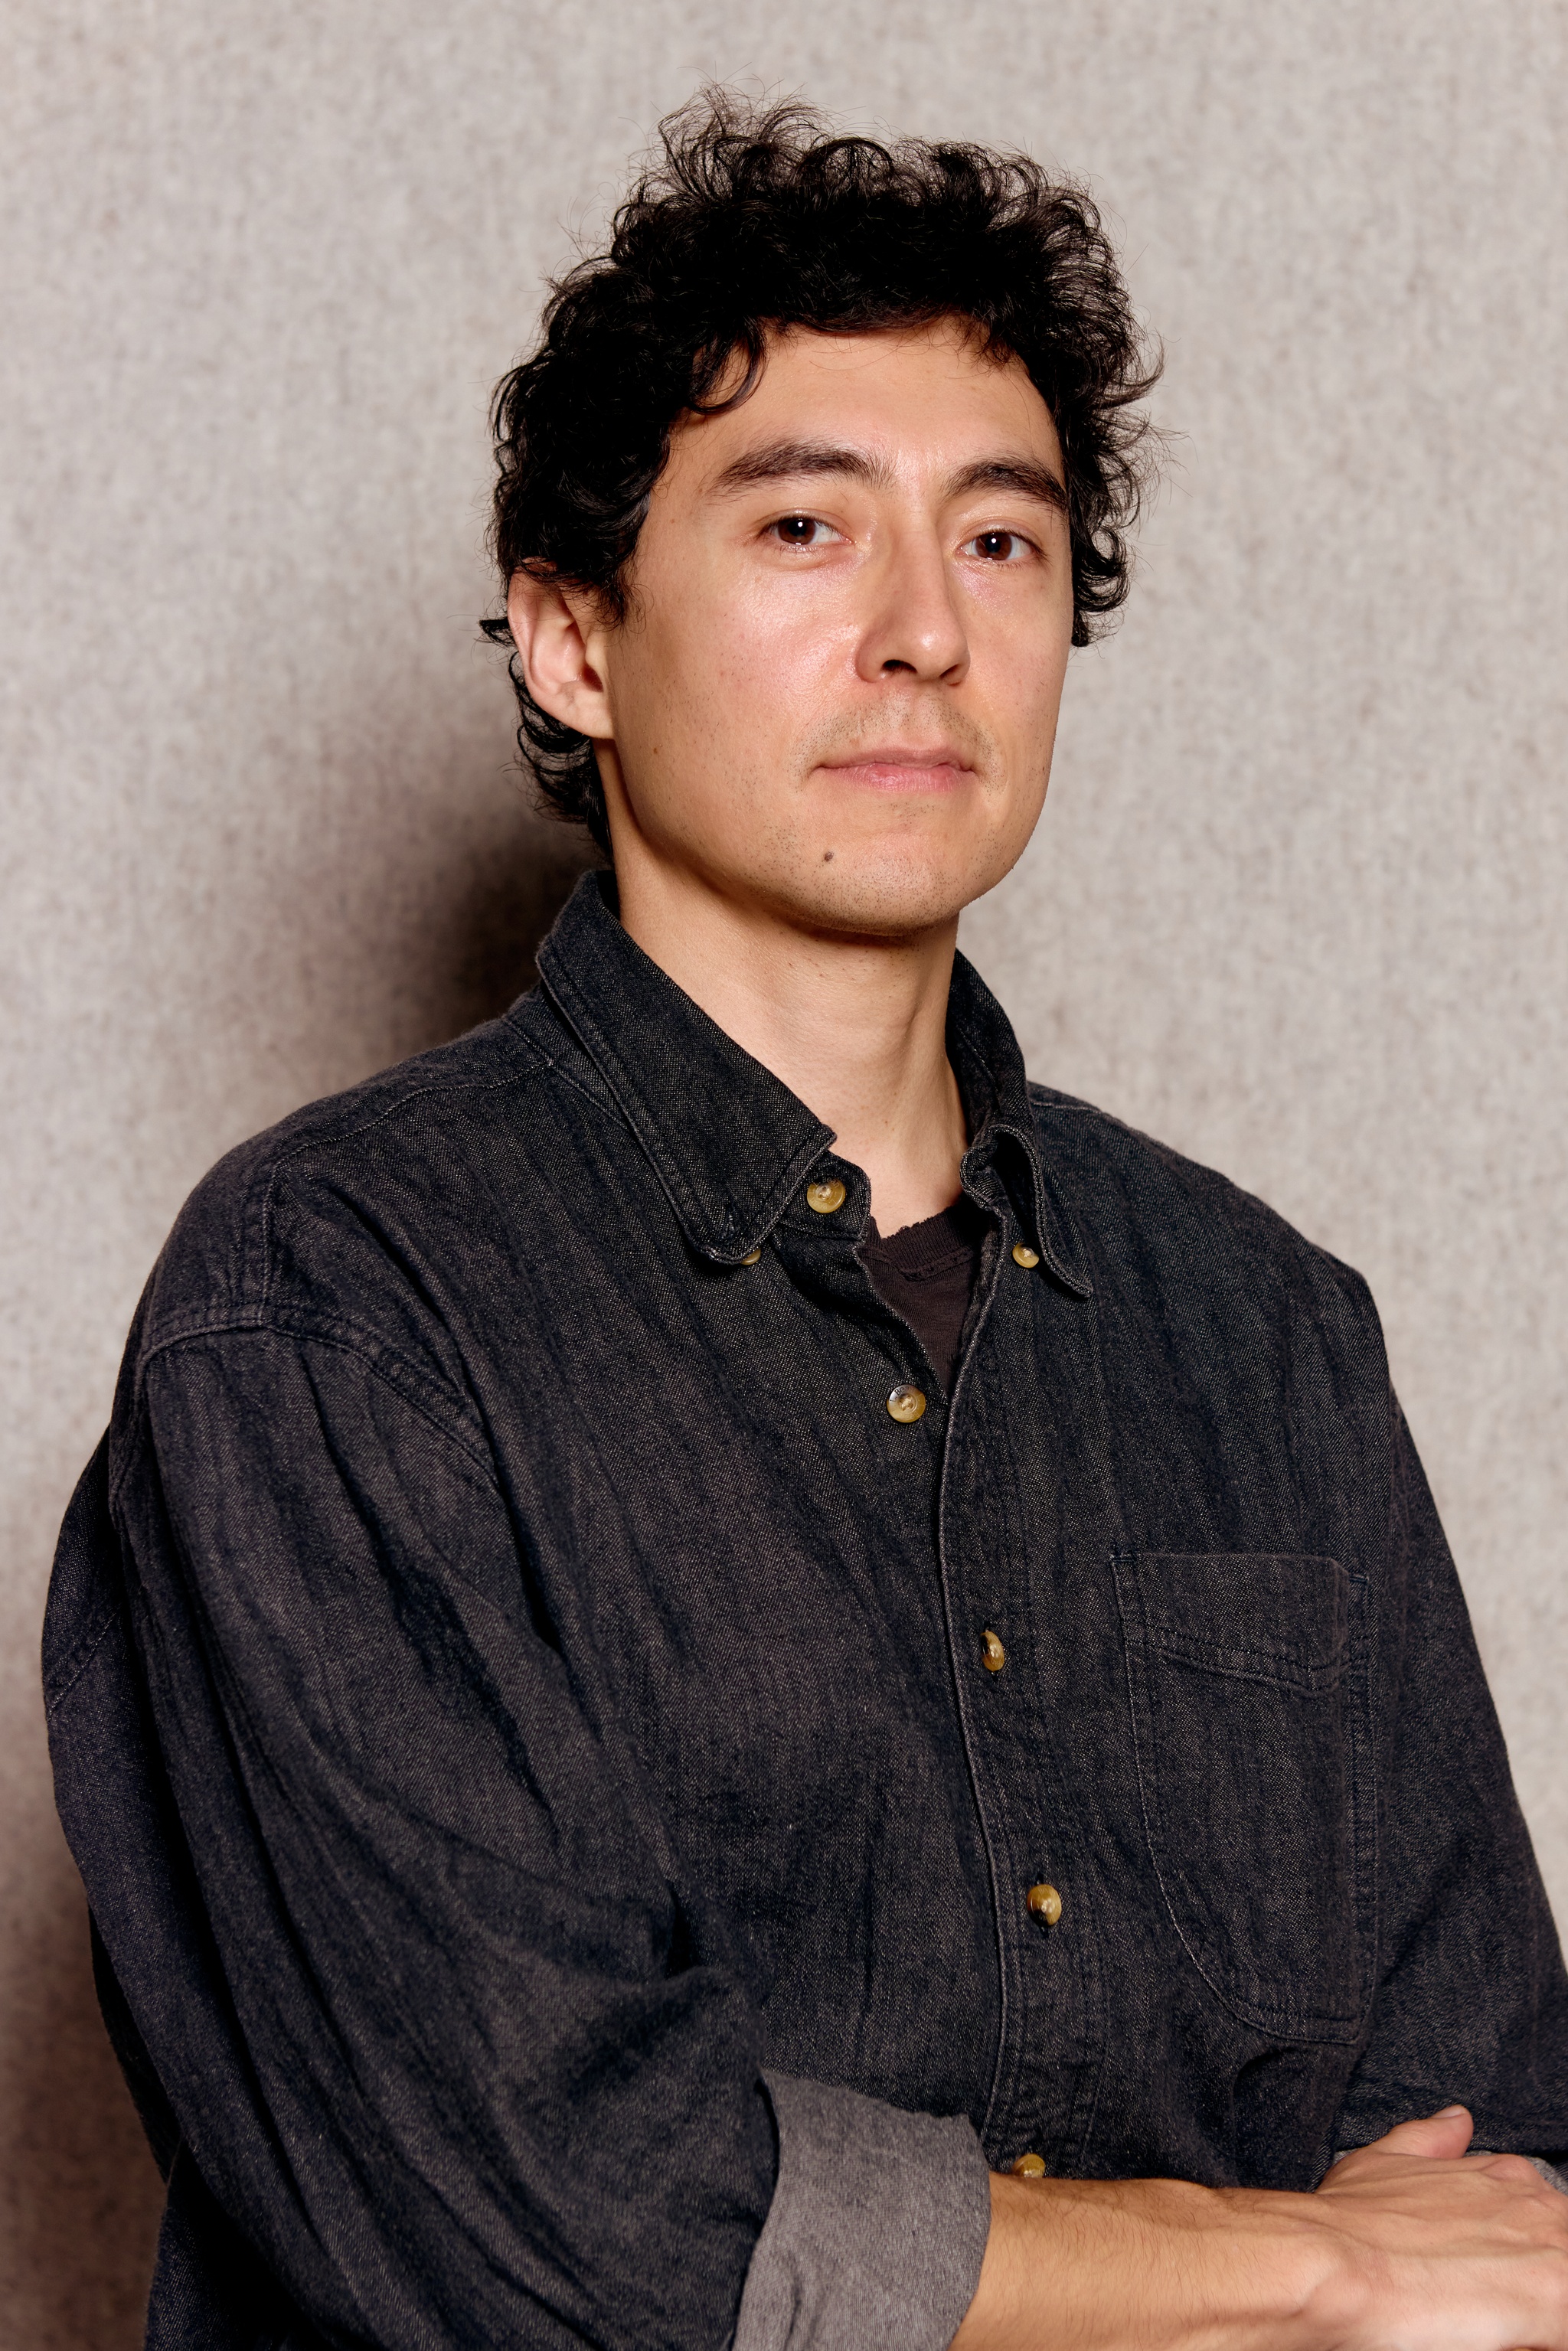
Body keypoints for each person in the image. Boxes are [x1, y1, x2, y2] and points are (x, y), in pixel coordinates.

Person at [44, 91, 1568, 2351]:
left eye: (1003, 545)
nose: (922, 634)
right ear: (575, 642)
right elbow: (561, 2227)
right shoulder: (330, 1320)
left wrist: (1369, 2261)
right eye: (800, 530)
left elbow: (1501, 2188)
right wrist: (1311, 2267)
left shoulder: (1266, 1332)